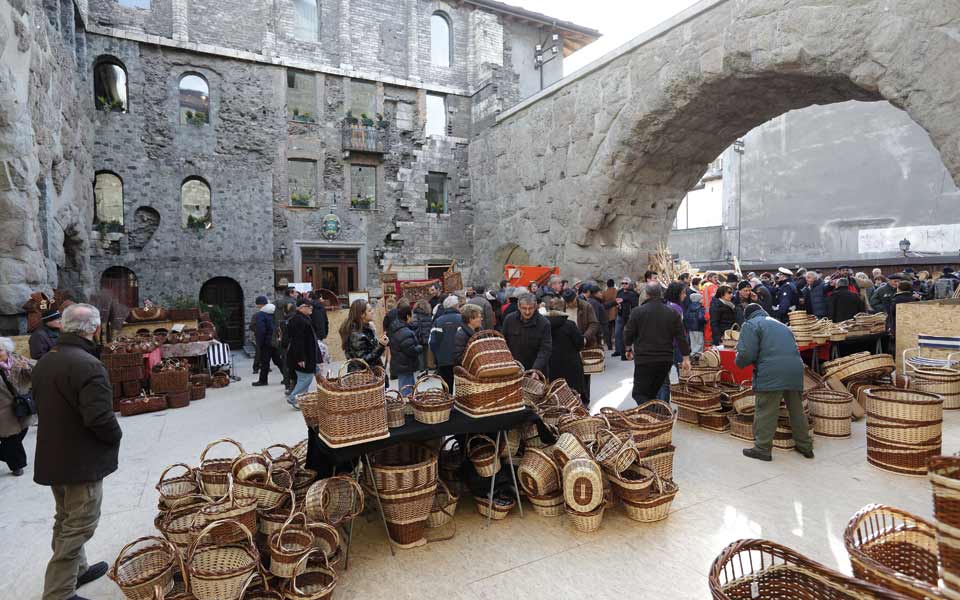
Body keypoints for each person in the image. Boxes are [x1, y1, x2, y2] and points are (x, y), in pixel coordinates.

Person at [34, 304, 121, 600]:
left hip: (55, 455)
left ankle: (78, 570)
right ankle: (58, 592)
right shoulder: (87, 364)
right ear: (94, 328)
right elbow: (99, 418)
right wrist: (115, 435)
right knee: (78, 525)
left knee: (65, 518)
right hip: (79, 461)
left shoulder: (48, 359)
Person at [735, 304, 813, 461]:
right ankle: (805, 446)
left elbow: (746, 353)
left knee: (766, 410)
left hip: (771, 371)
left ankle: (762, 449)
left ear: (747, 316)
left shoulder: (750, 324)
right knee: (796, 409)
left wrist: (739, 362)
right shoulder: (781, 324)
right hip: (795, 369)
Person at [623, 284, 690, 405]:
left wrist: (628, 348)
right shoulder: (672, 312)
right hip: (665, 358)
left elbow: (628, 332)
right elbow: (681, 336)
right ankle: (660, 413)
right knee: (657, 388)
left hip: (644, 358)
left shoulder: (637, 311)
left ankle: (653, 414)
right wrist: (686, 357)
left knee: (639, 393)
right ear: (661, 294)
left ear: (646, 294)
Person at [0, 337, 33, 476]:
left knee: (22, 431)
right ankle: (17, 465)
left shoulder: (18, 360)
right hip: (3, 409)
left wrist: (28, 367)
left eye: (0, 350)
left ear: (7, 350)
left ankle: (8, 455)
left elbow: (35, 373)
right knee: (10, 438)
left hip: (21, 405)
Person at [544, 297, 586, 403]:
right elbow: (579, 343)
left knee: (556, 394)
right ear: (563, 309)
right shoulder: (569, 325)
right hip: (571, 364)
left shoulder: (544, 325)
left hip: (552, 364)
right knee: (574, 394)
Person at [562, 287, 601, 403]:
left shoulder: (586, 306)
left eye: (572, 301)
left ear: (576, 297)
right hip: (567, 345)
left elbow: (594, 324)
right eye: (567, 302)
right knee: (569, 372)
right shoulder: (561, 306)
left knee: (585, 373)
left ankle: (585, 400)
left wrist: (585, 337)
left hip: (584, 343)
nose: (570, 304)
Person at [502, 293, 552, 375]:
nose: (527, 312)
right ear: (518, 307)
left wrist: (536, 369)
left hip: (536, 371)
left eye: (530, 308)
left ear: (535, 306)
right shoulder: (509, 320)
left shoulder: (544, 323)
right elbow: (503, 344)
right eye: (524, 308)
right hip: (514, 370)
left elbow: (545, 349)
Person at [285, 300, 319, 408]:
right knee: (305, 378)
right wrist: (300, 358)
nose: (311, 308)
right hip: (303, 357)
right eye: (308, 306)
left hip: (307, 355)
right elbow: (297, 341)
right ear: (301, 308)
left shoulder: (303, 318)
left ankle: (301, 400)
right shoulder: (298, 320)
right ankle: (293, 398)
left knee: (305, 378)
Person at [340, 300, 387, 374]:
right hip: (363, 378)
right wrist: (381, 346)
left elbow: (370, 349)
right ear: (362, 314)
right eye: (369, 310)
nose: (373, 312)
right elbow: (363, 361)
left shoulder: (366, 328)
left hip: (371, 375)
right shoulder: (356, 335)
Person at [388, 304, 423, 397]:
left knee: (407, 386)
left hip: (401, 364)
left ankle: (408, 404)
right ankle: (407, 408)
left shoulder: (396, 327)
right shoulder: (404, 331)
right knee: (406, 389)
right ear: (407, 316)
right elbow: (410, 350)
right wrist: (420, 348)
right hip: (405, 364)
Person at [430, 295, 463, 392]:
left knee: (446, 388)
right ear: (456, 306)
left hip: (443, 360)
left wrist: (438, 355)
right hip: (459, 359)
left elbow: (432, 342)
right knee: (461, 387)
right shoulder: (462, 319)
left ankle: (448, 405)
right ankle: (460, 406)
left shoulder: (438, 321)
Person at [252, 296, 282, 386]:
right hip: (275, 340)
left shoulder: (260, 315)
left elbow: (261, 330)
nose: (257, 307)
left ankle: (263, 380)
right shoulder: (275, 311)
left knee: (265, 361)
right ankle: (288, 378)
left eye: (257, 305)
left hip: (266, 341)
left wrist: (259, 343)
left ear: (260, 304)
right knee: (278, 361)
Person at [614, 278, 639, 359]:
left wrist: (624, 300)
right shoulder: (620, 292)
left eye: (626, 283)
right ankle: (621, 352)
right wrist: (618, 305)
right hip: (620, 314)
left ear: (629, 284)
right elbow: (617, 300)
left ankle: (632, 352)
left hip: (630, 316)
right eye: (622, 283)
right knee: (618, 334)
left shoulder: (633, 293)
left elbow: (635, 304)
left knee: (631, 334)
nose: (624, 285)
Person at [412, 299, 434, 372]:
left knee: (420, 354)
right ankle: (426, 368)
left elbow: (414, 325)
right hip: (427, 337)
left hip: (419, 337)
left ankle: (422, 370)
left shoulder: (415, 315)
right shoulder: (428, 315)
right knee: (425, 353)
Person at [700, 272, 720, 346]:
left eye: (717, 277)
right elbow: (715, 298)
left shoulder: (704, 285)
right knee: (710, 330)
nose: (717, 279)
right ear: (709, 278)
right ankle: (709, 349)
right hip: (711, 311)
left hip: (704, 310)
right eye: (715, 277)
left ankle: (706, 348)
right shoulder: (712, 286)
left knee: (706, 331)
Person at [602, 279, 618, 350]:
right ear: (613, 284)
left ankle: (609, 346)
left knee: (609, 330)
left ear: (607, 285)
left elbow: (602, 302)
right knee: (617, 329)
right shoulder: (617, 291)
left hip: (607, 313)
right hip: (616, 312)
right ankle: (618, 345)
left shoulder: (604, 293)